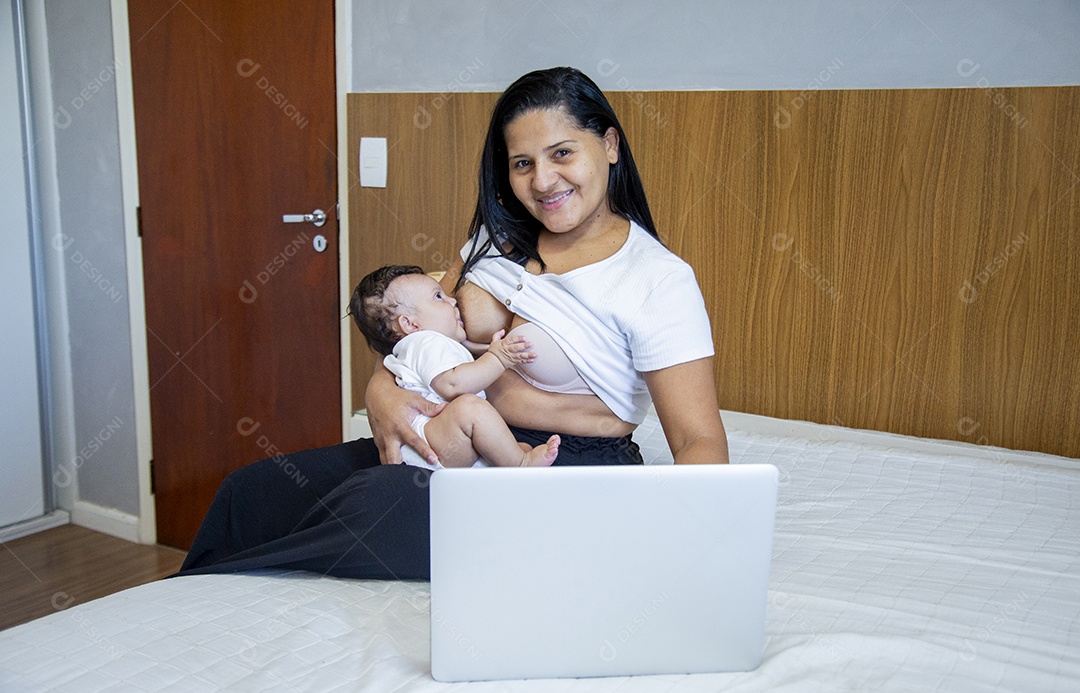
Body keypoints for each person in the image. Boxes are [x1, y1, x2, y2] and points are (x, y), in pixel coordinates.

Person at [177, 66, 728, 580]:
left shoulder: (656, 279)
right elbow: (415, 329)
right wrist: (381, 392)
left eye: (562, 153)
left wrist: (683, 549)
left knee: (377, 502)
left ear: (609, 146)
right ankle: (189, 593)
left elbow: (698, 439)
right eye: (522, 163)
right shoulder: (495, 239)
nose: (542, 181)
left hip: (557, 466)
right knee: (253, 490)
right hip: (450, 438)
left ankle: (224, 580)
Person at [350, 264, 561, 469]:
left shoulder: (419, 347)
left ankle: (511, 456)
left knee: (493, 430)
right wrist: (499, 358)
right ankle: (522, 463)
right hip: (430, 444)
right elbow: (452, 384)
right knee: (470, 408)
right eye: (438, 296)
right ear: (411, 324)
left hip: (435, 442)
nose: (452, 301)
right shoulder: (425, 342)